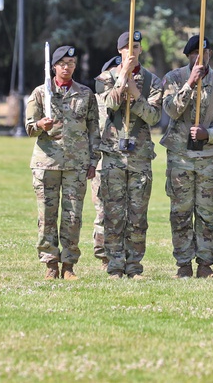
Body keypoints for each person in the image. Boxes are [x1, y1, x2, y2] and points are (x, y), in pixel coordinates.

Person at [160, 35, 213, 278]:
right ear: (188, 57)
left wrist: (211, 134)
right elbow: (171, 110)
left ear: (210, 55)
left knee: (207, 214)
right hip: (180, 157)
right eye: (194, 53)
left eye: (203, 53)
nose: (199, 57)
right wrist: (190, 84)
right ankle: (183, 264)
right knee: (181, 212)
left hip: (209, 159)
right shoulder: (174, 79)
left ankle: (205, 264)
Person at [25, 45, 100, 280]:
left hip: (76, 165)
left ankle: (68, 265)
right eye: (62, 64)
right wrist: (40, 126)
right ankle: (50, 263)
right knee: (47, 215)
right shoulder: (41, 93)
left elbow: (93, 129)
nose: (67, 68)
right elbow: (28, 127)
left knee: (73, 216)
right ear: (54, 67)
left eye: (71, 64)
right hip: (47, 163)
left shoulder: (85, 94)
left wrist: (92, 160)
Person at [94, 31, 163, 279]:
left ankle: (134, 266)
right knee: (113, 214)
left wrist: (135, 93)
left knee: (137, 215)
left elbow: (154, 117)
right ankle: (114, 266)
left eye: (136, 46)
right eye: (127, 47)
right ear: (119, 50)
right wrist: (122, 80)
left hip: (140, 155)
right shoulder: (104, 78)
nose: (132, 52)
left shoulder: (153, 81)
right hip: (112, 154)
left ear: (141, 50)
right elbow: (108, 105)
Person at [91, 54, 122, 271]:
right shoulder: (94, 100)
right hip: (102, 164)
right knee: (103, 211)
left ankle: (121, 255)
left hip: (123, 160)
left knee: (124, 211)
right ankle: (104, 256)